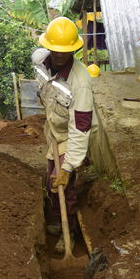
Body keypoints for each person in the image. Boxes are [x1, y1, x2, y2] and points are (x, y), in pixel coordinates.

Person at [32, 17, 99, 254]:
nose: (59, 56)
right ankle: (52, 219)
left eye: (65, 52)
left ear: (74, 49)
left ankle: (66, 231)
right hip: (54, 130)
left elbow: (80, 127)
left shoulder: (80, 83)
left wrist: (69, 166)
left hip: (71, 135)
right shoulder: (40, 61)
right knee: (51, 177)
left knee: (64, 183)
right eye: (55, 50)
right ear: (48, 47)